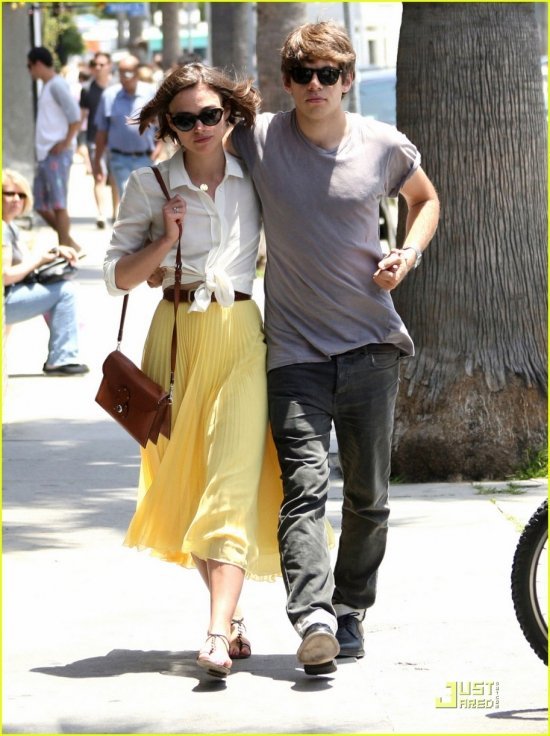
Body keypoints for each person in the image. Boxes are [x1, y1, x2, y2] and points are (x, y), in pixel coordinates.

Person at [229, 20, 440, 674]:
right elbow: (197, 145)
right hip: (293, 352)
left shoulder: (382, 145)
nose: (314, 86)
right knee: (304, 489)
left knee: (369, 497)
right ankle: (314, 617)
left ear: (347, 79)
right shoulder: (261, 139)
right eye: (302, 75)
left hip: (371, 347)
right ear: (286, 81)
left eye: (327, 74)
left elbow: (425, 200)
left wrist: (407, 253)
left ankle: (350, 608)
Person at [103, 63, 283, 679]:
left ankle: (214, 632)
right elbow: (117, 278)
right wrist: (164, 240)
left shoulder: (256, 177)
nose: (200, 127)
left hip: (241, 338)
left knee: (229, 482)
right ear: (168, 124)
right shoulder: (148, 184)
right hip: (175, 341)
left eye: (210, 114)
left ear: (229, 114)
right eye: (184, 119)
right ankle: (232, 618)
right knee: (189, 482)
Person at [2, 169, 89, 376]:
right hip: (5, 300)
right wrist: (40, 259)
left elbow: (25, 265)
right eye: (9, 193)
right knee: (65, 291)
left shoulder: (10, 226)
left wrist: (53, 253)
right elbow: (5, 276)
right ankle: (62, 359)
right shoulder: (3, 230)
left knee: (57, 286)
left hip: (8, 298)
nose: (16, 199)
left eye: (21, 195)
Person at [26, 47, 82, 253]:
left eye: (29, 66)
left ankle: (66, 249)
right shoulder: (49, 85)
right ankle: (70, 244)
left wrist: (65, 143)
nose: (29, 71)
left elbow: (75, 117)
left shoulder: (57, 85)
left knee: (59, 204)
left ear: (38, 64)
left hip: (56, 153)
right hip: (46, 153)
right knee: (40, 204)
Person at [93, 54, 162, 203]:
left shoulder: (150, 93)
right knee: (128, 197)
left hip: (145, 158)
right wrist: (97, 160)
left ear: (137, 73)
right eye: (121, 73)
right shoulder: (109, 96)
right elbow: (102, 131)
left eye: (128, 73)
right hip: (119, 158)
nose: (124, 77)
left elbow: (161, 123)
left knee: (144, 200)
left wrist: (159, 148)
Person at [80, 52, 118, 228]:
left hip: (115, 139)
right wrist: (78, 140)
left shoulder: (117, 87)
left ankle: (116, 213)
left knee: (115, 177)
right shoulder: (87, 89)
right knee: (99, 177)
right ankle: (101, 214)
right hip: (94, 138)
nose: (98, 68)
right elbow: (82, 116)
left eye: (102, 64)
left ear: (109, 66)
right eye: (95, 64)